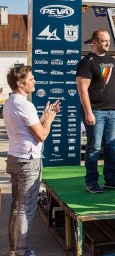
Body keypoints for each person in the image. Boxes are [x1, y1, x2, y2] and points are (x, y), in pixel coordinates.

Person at [5, 66, 61, 256]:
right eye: (31, 79)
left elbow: (28, 129)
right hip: (28, 162)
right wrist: (51, 119)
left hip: (14, 158)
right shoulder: (25, 105)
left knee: (16, 207)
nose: (34, 81)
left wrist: (43, 117)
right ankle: (22, 251)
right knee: (25, 210)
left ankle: (15, 248)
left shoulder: (9, 102)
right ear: (20, 84)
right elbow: (41, 135)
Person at [76, 29, 115, 193]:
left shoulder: (112, 60)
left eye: (108, 41)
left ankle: (110, 180)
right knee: (94, 147)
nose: (107, 43)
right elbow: (82, 90)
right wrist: (88, 112)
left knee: (111, 146)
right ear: (95, 42)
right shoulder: (87, 62)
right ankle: (91, 182)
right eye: (104, 41)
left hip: (113, 111)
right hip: (96, 111)